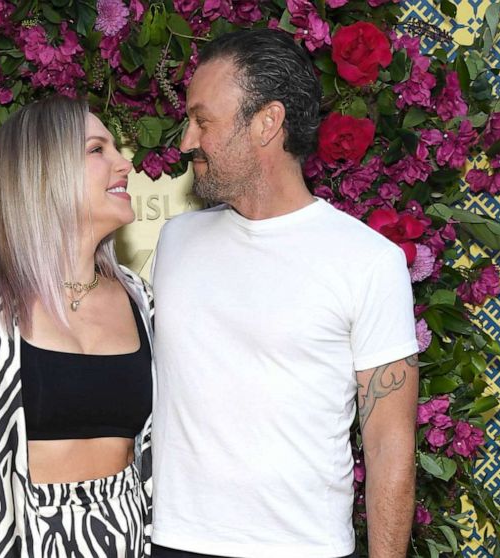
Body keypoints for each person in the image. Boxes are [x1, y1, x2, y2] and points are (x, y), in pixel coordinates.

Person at [150, 29, 419, 558]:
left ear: (267, 122)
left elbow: (390, 447)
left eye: (202, 121)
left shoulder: (368, 261)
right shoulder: (176, 241)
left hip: (305, 548)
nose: (185, 141)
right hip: (173, 543)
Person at [0, 96, 155, 558]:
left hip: (129, 539)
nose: (124, 164)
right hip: (17, 541)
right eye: (97, 149)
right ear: (44, 173)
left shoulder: (142, 301)